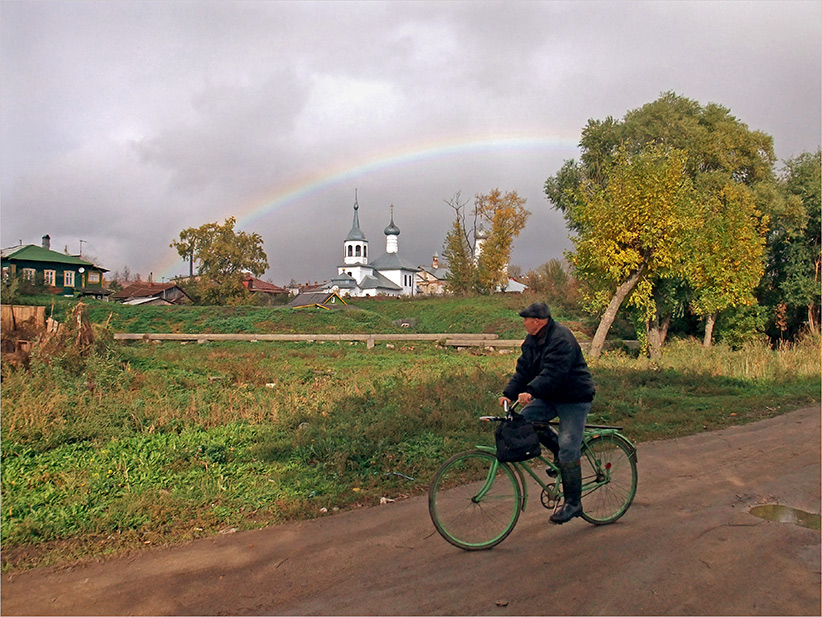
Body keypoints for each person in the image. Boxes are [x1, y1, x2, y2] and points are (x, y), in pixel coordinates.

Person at [498, 301, 595, 524]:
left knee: (569, 445)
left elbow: (554, 374)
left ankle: (573, 503)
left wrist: (530, 392)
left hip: (574, 397)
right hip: (551, 396)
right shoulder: (532, 341)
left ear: (538, 321)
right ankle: (560, 458)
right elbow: (523, 370)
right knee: (525, 420)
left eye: (526, 319)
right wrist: (509, 393)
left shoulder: (561, 339)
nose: (523, 323)